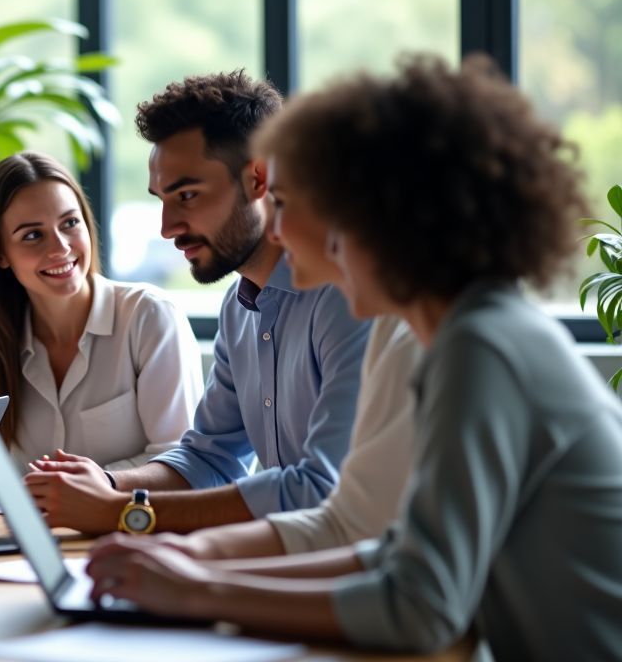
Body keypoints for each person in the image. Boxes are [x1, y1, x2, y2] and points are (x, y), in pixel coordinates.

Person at [85, 55, 622, 660]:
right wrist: (194, 567)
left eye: (288, 205)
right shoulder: (460, 335)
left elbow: (419, 606)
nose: (281, 234)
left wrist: (201, 590)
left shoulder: (482, 346)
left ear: (379, 219)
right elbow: (391, 549)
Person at [24, 70, 369, 535]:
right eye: (162, 199)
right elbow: (209, 457)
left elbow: (321, 489)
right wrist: (103, 484)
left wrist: (121, 513)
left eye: (187, 195)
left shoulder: (348, 299)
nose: (167, 227)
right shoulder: (239, 308)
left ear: (259, 180)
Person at [153, 147, 420, 559]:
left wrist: (139, 516)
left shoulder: (372, 317)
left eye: (289, 201)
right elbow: (367, 556)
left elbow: (327, 501)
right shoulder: (238, 306)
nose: (275, 230)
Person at [0, 152, 202, 472]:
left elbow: (182, 461)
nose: (60, 248)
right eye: (32, 235)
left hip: (136, 522)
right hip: (26, 524)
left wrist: (89, 483)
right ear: (0, 254)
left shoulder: (149, 317)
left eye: (70, 223)